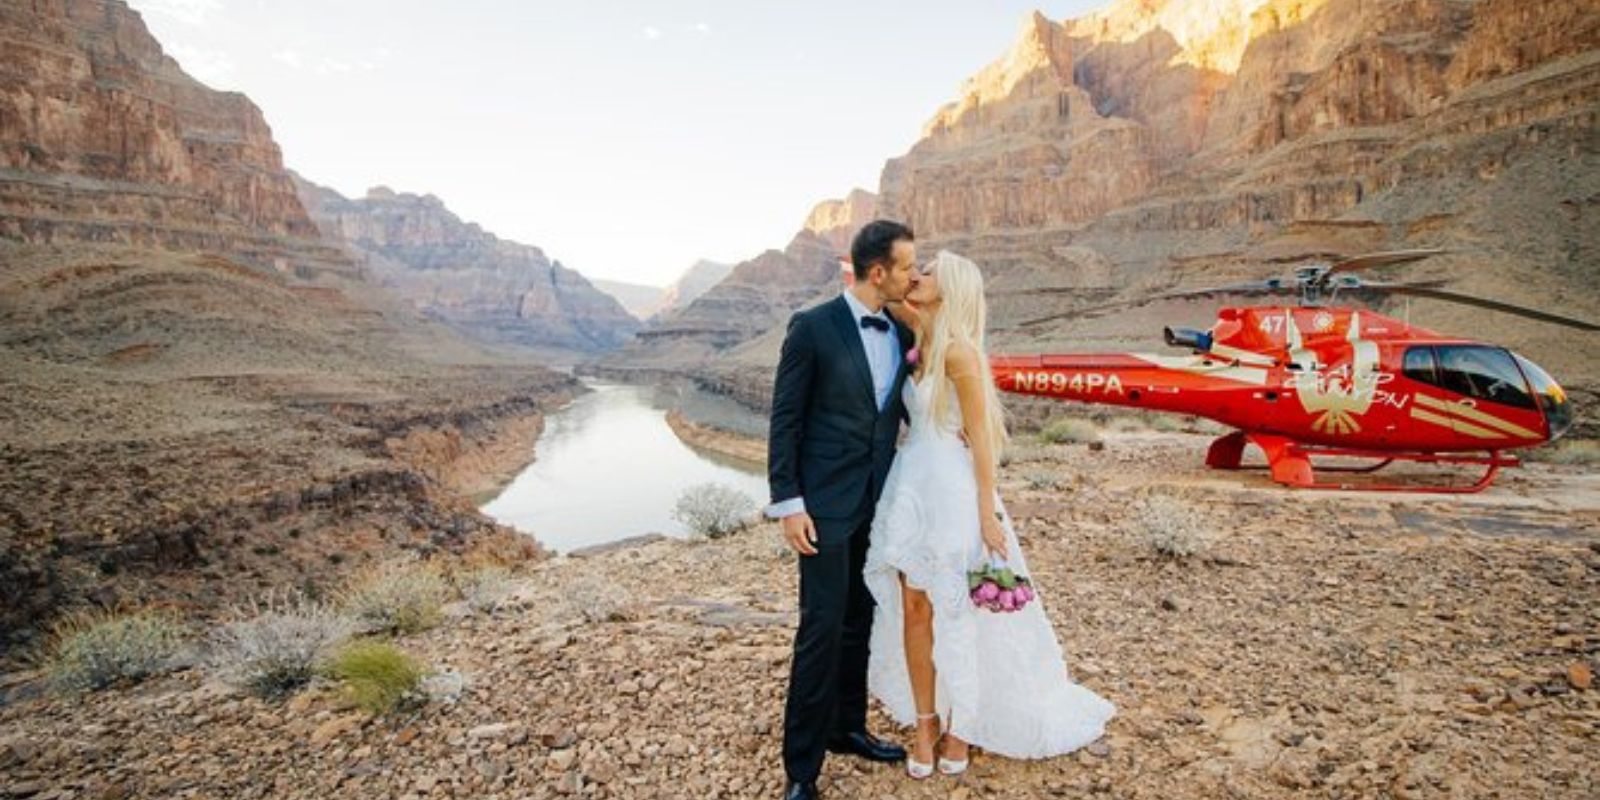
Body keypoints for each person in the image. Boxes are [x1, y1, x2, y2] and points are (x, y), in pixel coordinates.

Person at [864, 249, 1116, 780]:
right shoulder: (923, 337)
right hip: (913, 489)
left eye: (927, 272)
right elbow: (876, 287)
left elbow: (981, 437)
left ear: (949, 288)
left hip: (954, 494)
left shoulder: (960, 353)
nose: (917, 276)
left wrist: (987, 513)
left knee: (958, 611)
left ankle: (963, 727)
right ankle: (926, 724)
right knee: (915, 610)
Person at [766, 220, 918, 800]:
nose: (914, 274)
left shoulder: (903, 328)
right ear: (877, 271)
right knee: (821, 629)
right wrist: (789, 503)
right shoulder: (812, 327)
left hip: (878, 502)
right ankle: (801, 769)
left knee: (861, 619)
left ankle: (846, 728)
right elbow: (786, 420)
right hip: (822, 509)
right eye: (907, 265)